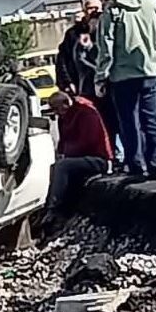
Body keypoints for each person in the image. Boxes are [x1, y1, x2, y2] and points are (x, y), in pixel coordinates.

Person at [96, 0, 156, 180]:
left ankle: (136, 166)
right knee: (151, 119)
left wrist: (101, 75)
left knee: (129, 120)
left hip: (122, 73)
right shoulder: (152, 5)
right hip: (150, 69)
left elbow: (106, 44)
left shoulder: (113, 8)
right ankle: (155, 164)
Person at [43, 91, 113, 228]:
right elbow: (63, 141)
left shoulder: (86, 112)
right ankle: (52, 206)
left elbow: (88, 141)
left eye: (57, 109)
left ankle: (54, 207)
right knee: (56, 165)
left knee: (63, 166)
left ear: (66, 104)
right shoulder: (66, 116)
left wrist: (67, 154)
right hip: (80, 157)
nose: (56, 113)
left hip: (99, 159)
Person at [56, 0, 102, 94]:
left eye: (96, 8)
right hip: (82, 85)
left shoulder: (106, 31)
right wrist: (67, 82)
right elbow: (63, 59)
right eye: (90, 8)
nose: (94, 12)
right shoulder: (73, 34)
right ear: (84, 11)